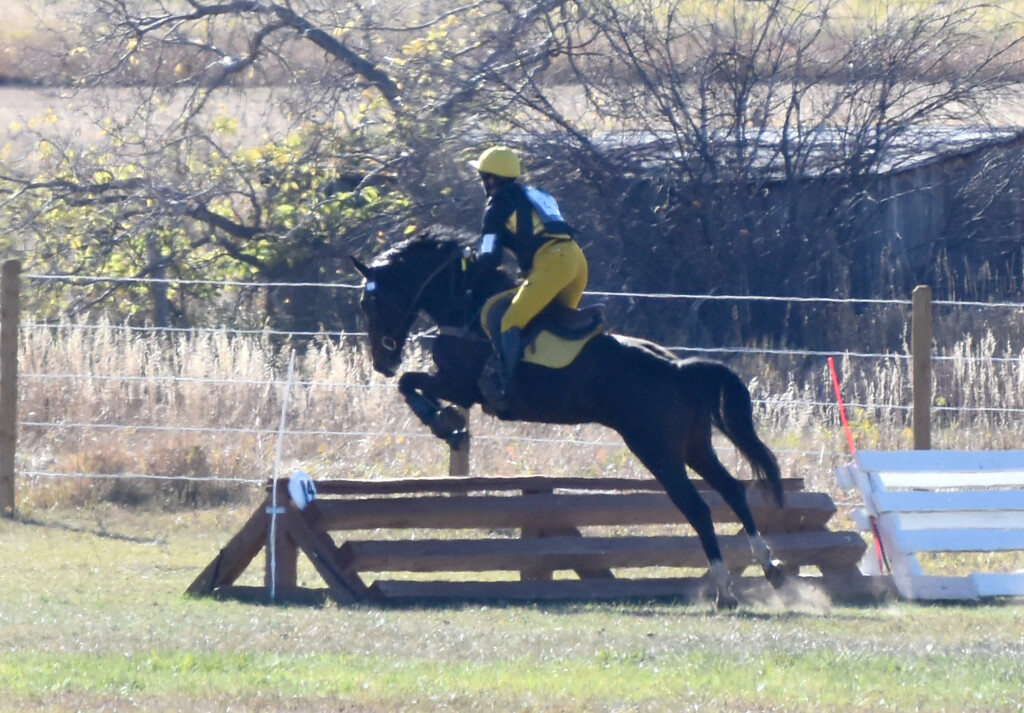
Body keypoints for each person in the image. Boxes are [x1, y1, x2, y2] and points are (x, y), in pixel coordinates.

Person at [468, 145, 588, 409]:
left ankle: (506, 389)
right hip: (575, 259)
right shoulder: (536, 193)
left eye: (482, 176)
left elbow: (490, 258)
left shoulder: (496, 207)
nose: (482, 182)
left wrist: (472, 263)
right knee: (552, 323)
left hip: (552, 263)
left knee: (511, 320)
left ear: (491, 179)